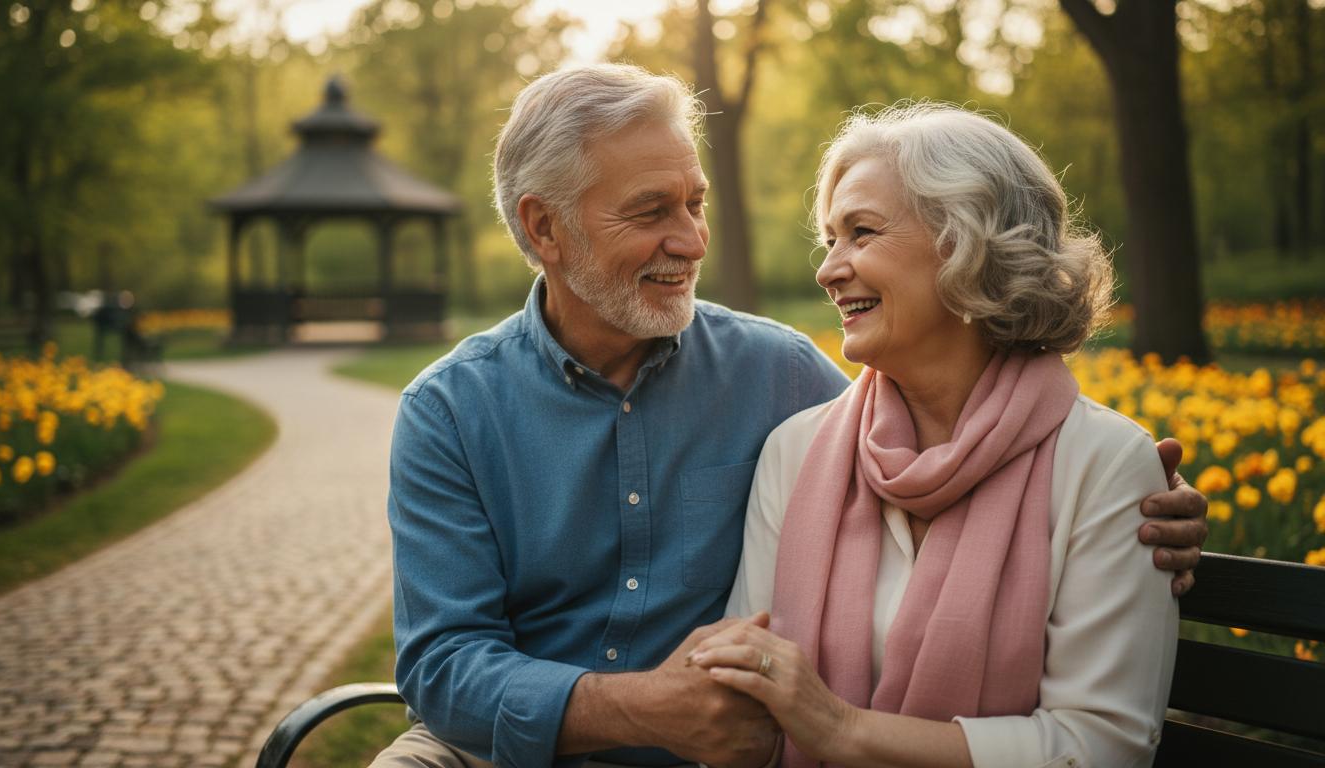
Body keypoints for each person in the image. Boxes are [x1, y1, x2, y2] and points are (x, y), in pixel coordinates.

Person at [374, 66, 1207, 768]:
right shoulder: (450, 411)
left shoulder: (782, 382)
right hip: (505, 746)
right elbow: (444, 665)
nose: (694, 241)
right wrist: (642, 708)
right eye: (651, 211)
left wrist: (1146, 503)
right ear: (544, 228)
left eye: (695, 203)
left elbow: (966, 426)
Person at [689, 104, 1182, 767]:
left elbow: (1099, 747)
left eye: (861, 233)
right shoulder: (797, 453)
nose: (828, 269)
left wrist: (838, 730)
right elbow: (748, 705)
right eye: (829, 240)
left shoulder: (1104, 463)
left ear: (968, 244)